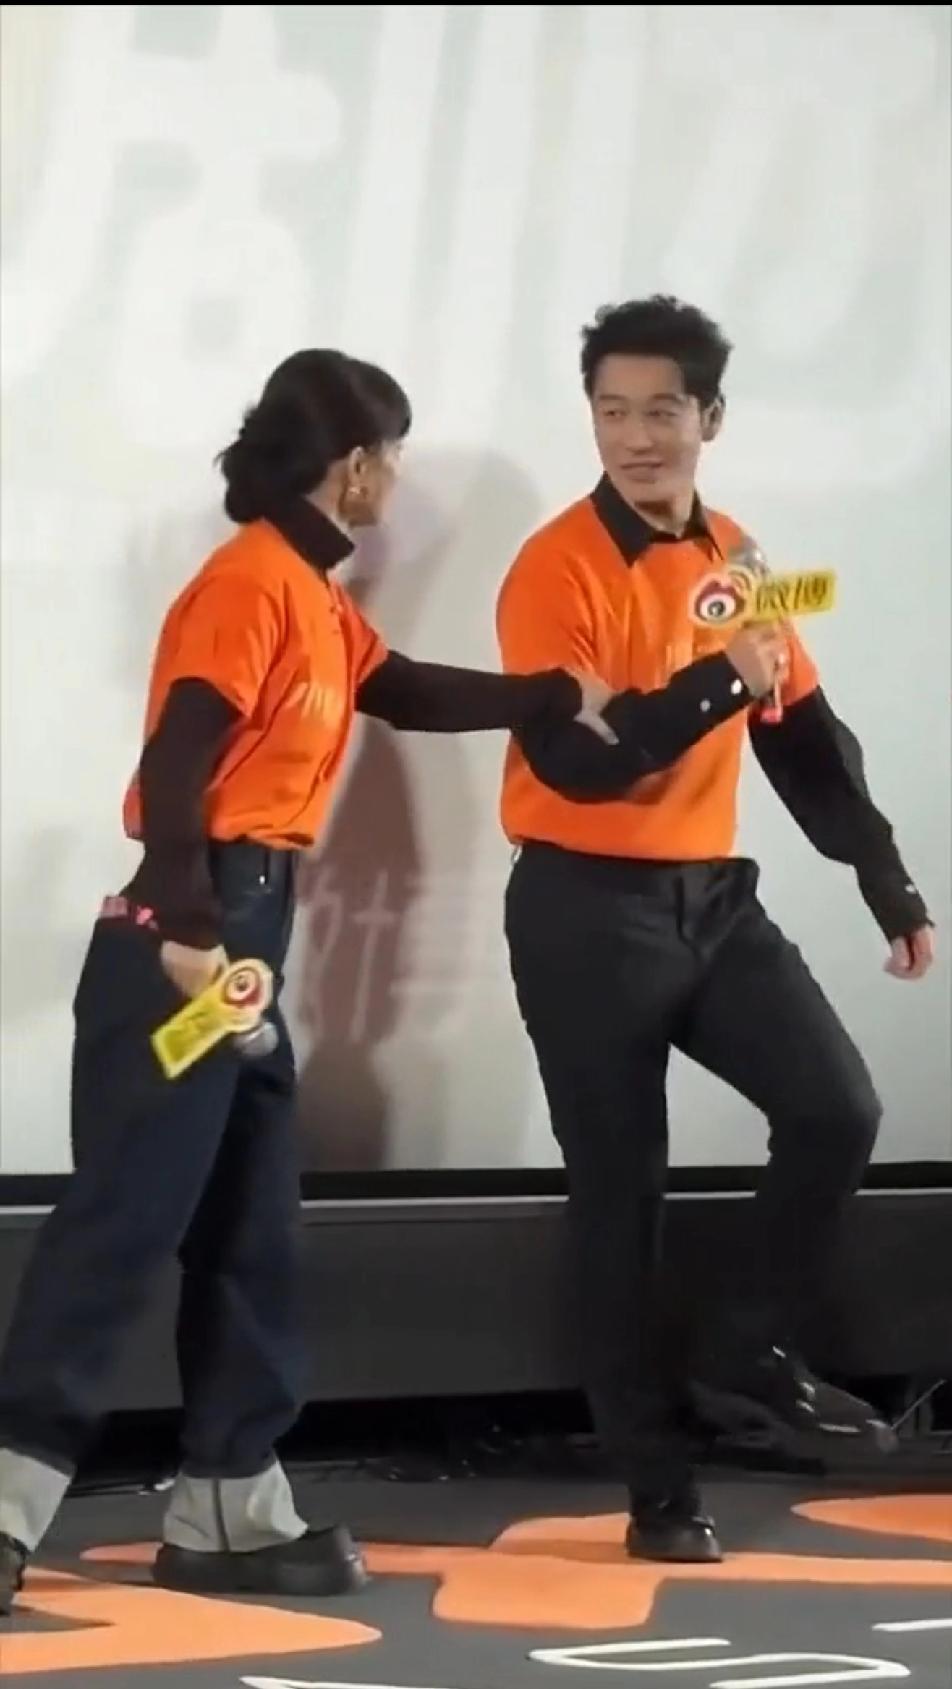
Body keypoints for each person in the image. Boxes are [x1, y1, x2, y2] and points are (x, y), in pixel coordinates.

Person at [0, 348, 611, 1614]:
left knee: (252, 1229)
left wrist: (558, 694)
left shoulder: (315, 598)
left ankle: (229, 1508)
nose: (396, 480)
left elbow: (406, 690)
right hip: (192, 943)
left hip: (246, 951)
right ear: (355, 465)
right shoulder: (247, 584)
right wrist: (186, 923)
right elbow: (178, 758)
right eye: (392, 457)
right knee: (124, 1226)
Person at [495, 296, 935, 1566]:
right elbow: (578, 762)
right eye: (611, 411)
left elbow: (802, 733)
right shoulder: (552, 567)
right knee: (619, 1194)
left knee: (835, 1109)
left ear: (710, 419)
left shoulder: (739, 554)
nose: (636, 436)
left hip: (710, 901)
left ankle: (744, 1351)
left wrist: (884, 877)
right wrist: (711, 683)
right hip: (584, 907)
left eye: (661, 411)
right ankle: (654, 1485)